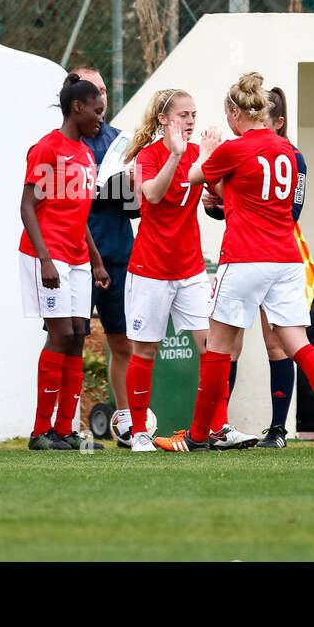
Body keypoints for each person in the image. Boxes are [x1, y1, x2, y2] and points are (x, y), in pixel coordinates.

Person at [155, 72, 314, 454]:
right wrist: (226, 191)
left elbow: (193, 178)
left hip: (246, 256)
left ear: (235, 113)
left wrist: (208, 148)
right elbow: (264, 197)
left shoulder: (234, 149)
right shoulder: (289, 152)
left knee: (216, 346)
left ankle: (199, 435)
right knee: (299, 345)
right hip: (286, 259)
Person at [201, 85, 314, 449]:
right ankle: (220, 425)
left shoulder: (293, 157)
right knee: (229, 345)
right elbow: (230, 202)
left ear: (278, 121)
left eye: (269, 118)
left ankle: (278, 429)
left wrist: (223, 198)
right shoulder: (245, 153)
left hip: (272, 255)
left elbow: (291, 212)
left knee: (277, 344)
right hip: (259, 253)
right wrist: (220, 202)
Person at [20, 74, 111, 450]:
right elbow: (27, 207)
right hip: (49, 254)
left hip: (77, 258)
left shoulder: (87, 154)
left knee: (77, 337)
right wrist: (45, 260)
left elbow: (79, 214)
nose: (100, 119)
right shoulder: (48, 149)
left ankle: (63, 429)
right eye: (97, 110)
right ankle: (40, 431)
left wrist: (97, 260)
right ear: (77, 107)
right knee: (59, 334)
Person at [120, 89, 212, 452]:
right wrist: (177, 155)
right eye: (183, 115)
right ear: (163, 120)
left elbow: (216, 193)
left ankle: (213, 427)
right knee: (145, 351)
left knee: (212, 348)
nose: (190, 122)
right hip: (151, 268)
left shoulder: (197, 153)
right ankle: (139, 431)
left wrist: (207, 160)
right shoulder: (150, 155)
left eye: (194, 114)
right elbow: (154, 195)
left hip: (190, 269)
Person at [73, 67, 138, 444]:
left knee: (122, 341)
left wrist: (130, 189)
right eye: (92, 91)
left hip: (118, 256)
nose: (100, 98)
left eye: (103, 90)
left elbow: (135, 209)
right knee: (71, 340)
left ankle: (126, 419)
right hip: (77, 258)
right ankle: (67, 423)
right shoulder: (64, 143)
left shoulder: (122, 143)